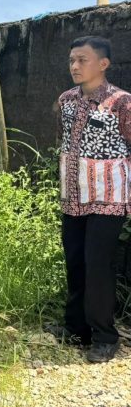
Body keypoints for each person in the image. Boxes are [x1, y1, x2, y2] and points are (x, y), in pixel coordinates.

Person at [45, 35, 131, 363]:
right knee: (75, 261)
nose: (75, 66)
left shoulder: (121, 102)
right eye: (71, 61)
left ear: (103, 64)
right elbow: (63, 141)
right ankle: (75, 327)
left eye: (82, 60)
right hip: (74, 197)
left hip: (108, 199)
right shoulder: (66, 100)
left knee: (98, 266)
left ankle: (105, 336)